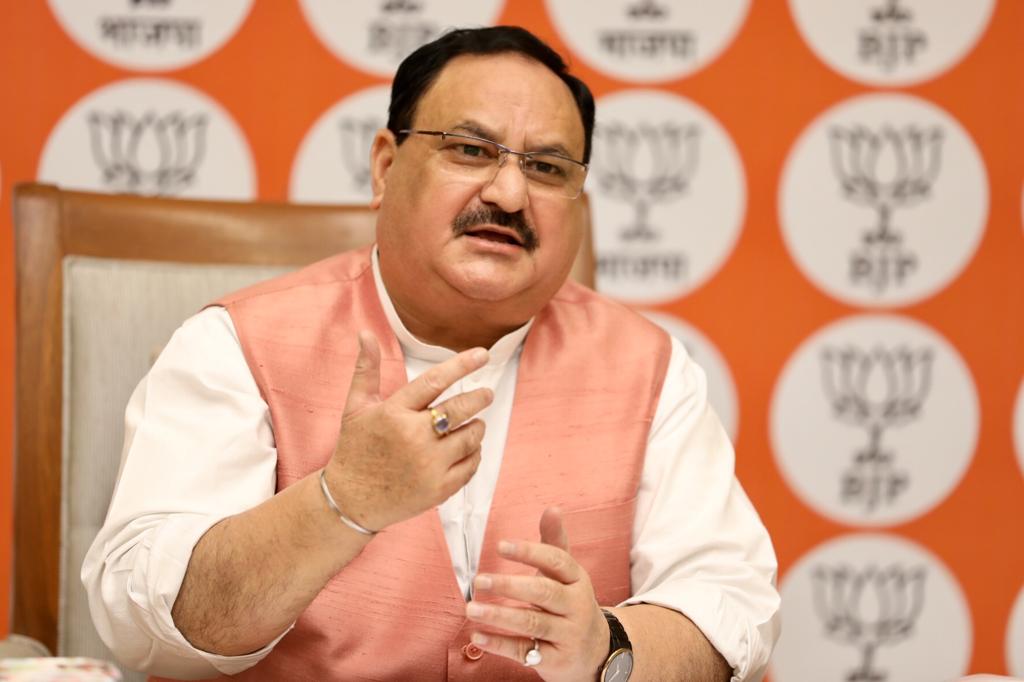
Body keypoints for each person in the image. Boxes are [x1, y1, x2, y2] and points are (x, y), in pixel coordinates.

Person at [83, 25, 779, 682]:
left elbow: (730, 608)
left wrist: (607, 649)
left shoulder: (649, 369)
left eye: (545, 166)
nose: (509, 193)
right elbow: (141, 616)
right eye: (470, 150)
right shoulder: (234, 346)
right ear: (386, 166)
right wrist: (337, 504)